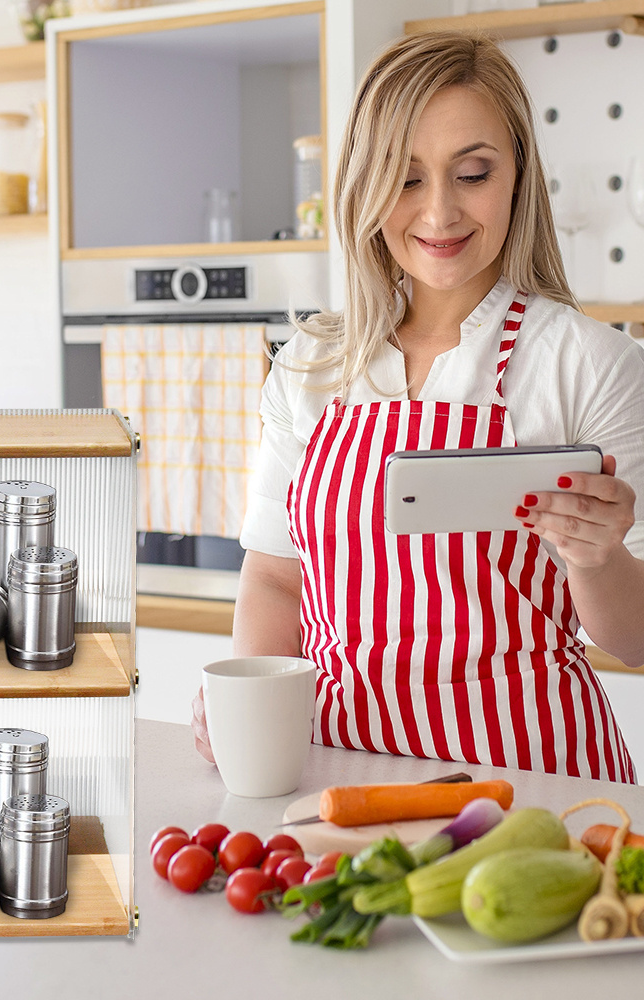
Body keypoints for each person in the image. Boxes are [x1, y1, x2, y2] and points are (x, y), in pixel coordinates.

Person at [192, 30, 644, 783]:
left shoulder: (589, 365)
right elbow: (276, 578)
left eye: (472, 173)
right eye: (404, 179)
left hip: (534, 790)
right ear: (364, 187)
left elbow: (636, 638)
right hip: (336, 778)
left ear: (517, 178)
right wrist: (253, 706)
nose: (438, 212)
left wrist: (595, 559)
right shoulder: (311, 367)